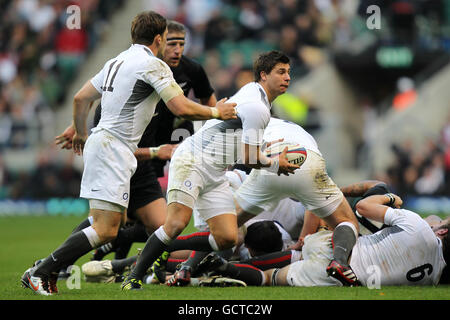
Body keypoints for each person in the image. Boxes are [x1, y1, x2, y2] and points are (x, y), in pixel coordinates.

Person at [21, 11, 237, 296]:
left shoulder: (116, 60)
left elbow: (81, 97)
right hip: (115, 148)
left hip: (112, 147)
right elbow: (181, 107)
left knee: (117, 225)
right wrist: (216, 112)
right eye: (168, 42)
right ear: (158, 39)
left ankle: (46, 269)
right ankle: (41, 270)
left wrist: (82, 131)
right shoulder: (153, 65)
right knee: (105, 229)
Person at [121, 50, 299, 290]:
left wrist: (270, 157)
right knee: (174, 225)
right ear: (264, 75)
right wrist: (278, 163)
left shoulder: (255, 96)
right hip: (193, 161)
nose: (287, 77)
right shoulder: (259, 108)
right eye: (281, 72)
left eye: (288, 72)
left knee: (227, 237)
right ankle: (134, 276)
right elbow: (249, 158)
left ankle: (165, 249)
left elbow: (247, 152)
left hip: (214, 172)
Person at [56, 20, 218, 262]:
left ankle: (113, 262)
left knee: (140, 222)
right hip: (128, 150)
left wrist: (211, 129)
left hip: (147, 152)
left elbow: (206, 100)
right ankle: (61, 264)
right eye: (171, 42)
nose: (176, 49)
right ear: (159, 41)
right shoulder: (142, 67)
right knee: (113, 222)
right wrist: (77, 126)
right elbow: (98, 99)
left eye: (181, 44)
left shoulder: (190, 70)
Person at [197, 193, 450, 287]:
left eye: (437, 222)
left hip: (340, 248)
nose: (432, 221)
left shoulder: (417, 226)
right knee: (268, 278)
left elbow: (362, 205)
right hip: (345, 281)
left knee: (347, 222)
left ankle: (206, 265)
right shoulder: (434, 278)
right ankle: (226, 269)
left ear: (441, 232)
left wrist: (390, 199)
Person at [234, 117, 361, 286]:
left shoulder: (248, 122)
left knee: (225, 226)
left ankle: (193, 266)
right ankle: (340, 262)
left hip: (270, 163)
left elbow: (247, 158)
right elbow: (313, 206)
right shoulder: (291, 127)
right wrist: (304, 238)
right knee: (347, 222)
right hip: (305, 159)